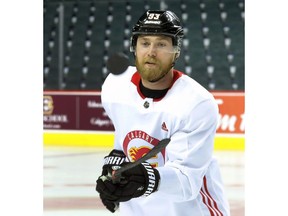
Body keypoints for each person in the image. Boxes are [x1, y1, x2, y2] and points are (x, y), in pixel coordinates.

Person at [96, 10, 230, 216]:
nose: (151, 51)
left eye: (161, 44)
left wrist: (145, 178)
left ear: (176, 51)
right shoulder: (115, 86)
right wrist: (113, 170)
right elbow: (123, 141)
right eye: (145, 42)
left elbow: (187, 181)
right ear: (134, 47)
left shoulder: (197, 103)